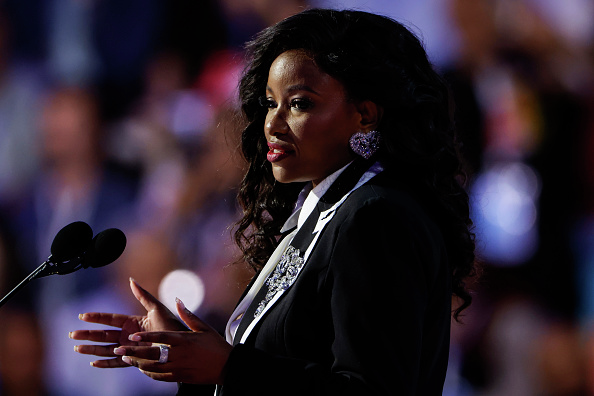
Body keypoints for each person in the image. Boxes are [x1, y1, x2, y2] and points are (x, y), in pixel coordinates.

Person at [69, 8, 477, 395]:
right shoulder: (323, 209)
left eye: (299, 103)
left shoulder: (375, 217)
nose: (272, 123)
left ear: (365, 115)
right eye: (270, 103)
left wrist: (227, 365)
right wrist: (190, 359)